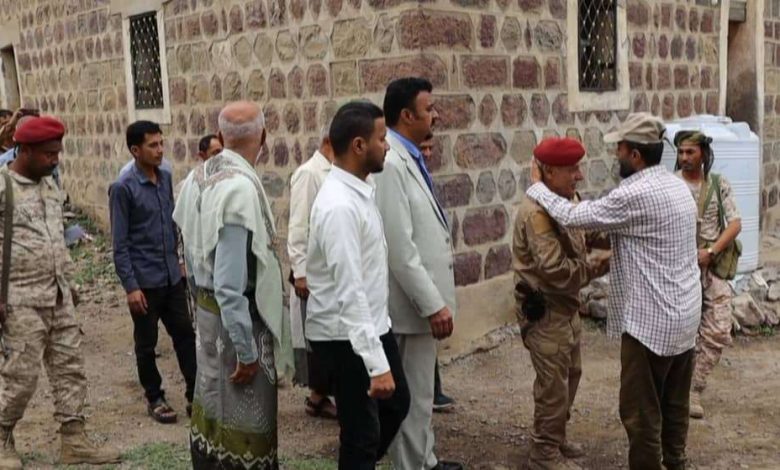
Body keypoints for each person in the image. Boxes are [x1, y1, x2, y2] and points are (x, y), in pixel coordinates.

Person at [525, 113, 701, 470]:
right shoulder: (676, 185)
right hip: (684, 317)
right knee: (675, 403)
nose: (615, 154)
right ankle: (676, 461)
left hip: (651, 325)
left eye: (619, 148)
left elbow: (574, 216)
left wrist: (536, 185)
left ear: (635, 155)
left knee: (641, 412)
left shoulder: (635, 193)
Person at [174, 101, 293, 469]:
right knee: (241, 415)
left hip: (208, 316)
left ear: (221, 136)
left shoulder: (196, 177)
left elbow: (189, 250)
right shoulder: (239, 189)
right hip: (236, 321)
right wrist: (246, 350)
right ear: (264, 136)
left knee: (212, 400)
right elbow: (229, 284)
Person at [0, 116, 120, 467]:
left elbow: (56, 239)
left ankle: (74, 439)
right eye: (48, 154)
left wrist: (69, 283)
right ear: (24, 150)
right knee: (20, 376)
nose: (55, 160)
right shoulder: (4, 187)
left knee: (70, 369)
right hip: (20, 300)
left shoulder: (50, 186)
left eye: (57, 152)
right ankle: (2, 437)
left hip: (59, 296)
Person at [306, 101, 410, 470]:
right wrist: (375, 363)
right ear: (359, 145)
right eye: (382, 138)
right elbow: (349, 290)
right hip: (343, 335)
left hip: (371, 325)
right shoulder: (339, 207)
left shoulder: (359, 190)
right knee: (361, 433)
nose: (388, 146)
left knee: (396, 405)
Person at [374, 77, 461, 470]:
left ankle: (425, 460)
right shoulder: (391, 163)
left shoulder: (408, 157)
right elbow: (400, 248)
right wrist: (432, 304)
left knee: (423, 393)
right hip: (410, 308)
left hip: (418, 308)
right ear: (407, 115)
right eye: (429, 109)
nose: (435, 115)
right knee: (411, 399)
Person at [513, 137, 610, 470]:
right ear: (550, 173)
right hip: (546, 313)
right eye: (572, 170)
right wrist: (600, 264)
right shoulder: (537, 214)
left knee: (571, 374)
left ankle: (555, 437)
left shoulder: (566, 200)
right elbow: (555, 271)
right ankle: (543, 454)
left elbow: (586, 231)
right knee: (552, 387)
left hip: (565, 310)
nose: (579, 176)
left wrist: (614, 234)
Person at [109, 121, 197, 424]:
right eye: (153, 145)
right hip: (144, 282)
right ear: (135, 150)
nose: (160, 150)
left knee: (185, 335)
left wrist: (179, 261)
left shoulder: (165, 177)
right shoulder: (123, 188)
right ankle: (155, 396)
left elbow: (171, 224)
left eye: (161, 143)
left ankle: (195, 393)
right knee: (147, 344)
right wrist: (131, 287)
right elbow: (120, 244)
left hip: (171, 276)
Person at [673, 130, 742, 420]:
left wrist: (711, 251)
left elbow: (735, 223)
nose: (685, 157)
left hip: (711, 268)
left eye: (690, 151)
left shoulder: (718, 183)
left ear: (703, 153)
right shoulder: (672, 185)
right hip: (679, 269)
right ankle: (674, 389)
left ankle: (694, 388)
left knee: (718, 329)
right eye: (681, 152)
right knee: (679, 331)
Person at [287, 122, 337, 419]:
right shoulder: (309, 174)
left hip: (329, 270)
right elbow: (298, 225)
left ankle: (320, 394)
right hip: (313, 272)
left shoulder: (334, 172)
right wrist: (300, 271)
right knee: (316, 337)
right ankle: (319, 394)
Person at [417, 135, 455, 413]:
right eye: (424, 148)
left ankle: (433, 390)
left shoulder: (422, 172)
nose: (428, 154)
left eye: (431, 148)